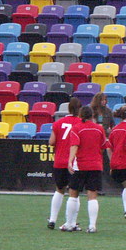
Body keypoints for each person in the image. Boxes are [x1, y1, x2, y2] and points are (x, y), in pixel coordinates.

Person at [61, 106, 107, 233]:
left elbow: (75, 145)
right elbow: (103, 146)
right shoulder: (99, 128)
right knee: (92, 195)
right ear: (92, 115)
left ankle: (70, 224)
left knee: (73, 194)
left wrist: (70, 160)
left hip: (80, 165)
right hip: (95, 165)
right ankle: (92, 226)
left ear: (80, 115)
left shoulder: (76, 128)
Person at [47, 98, 81, 229]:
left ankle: (52, 219)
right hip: (74, 163)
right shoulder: (81, 123)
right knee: (74, 192)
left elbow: (51, 142)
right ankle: (71, 222)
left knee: (59, 190)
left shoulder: (58, 123)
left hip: (59, 161)